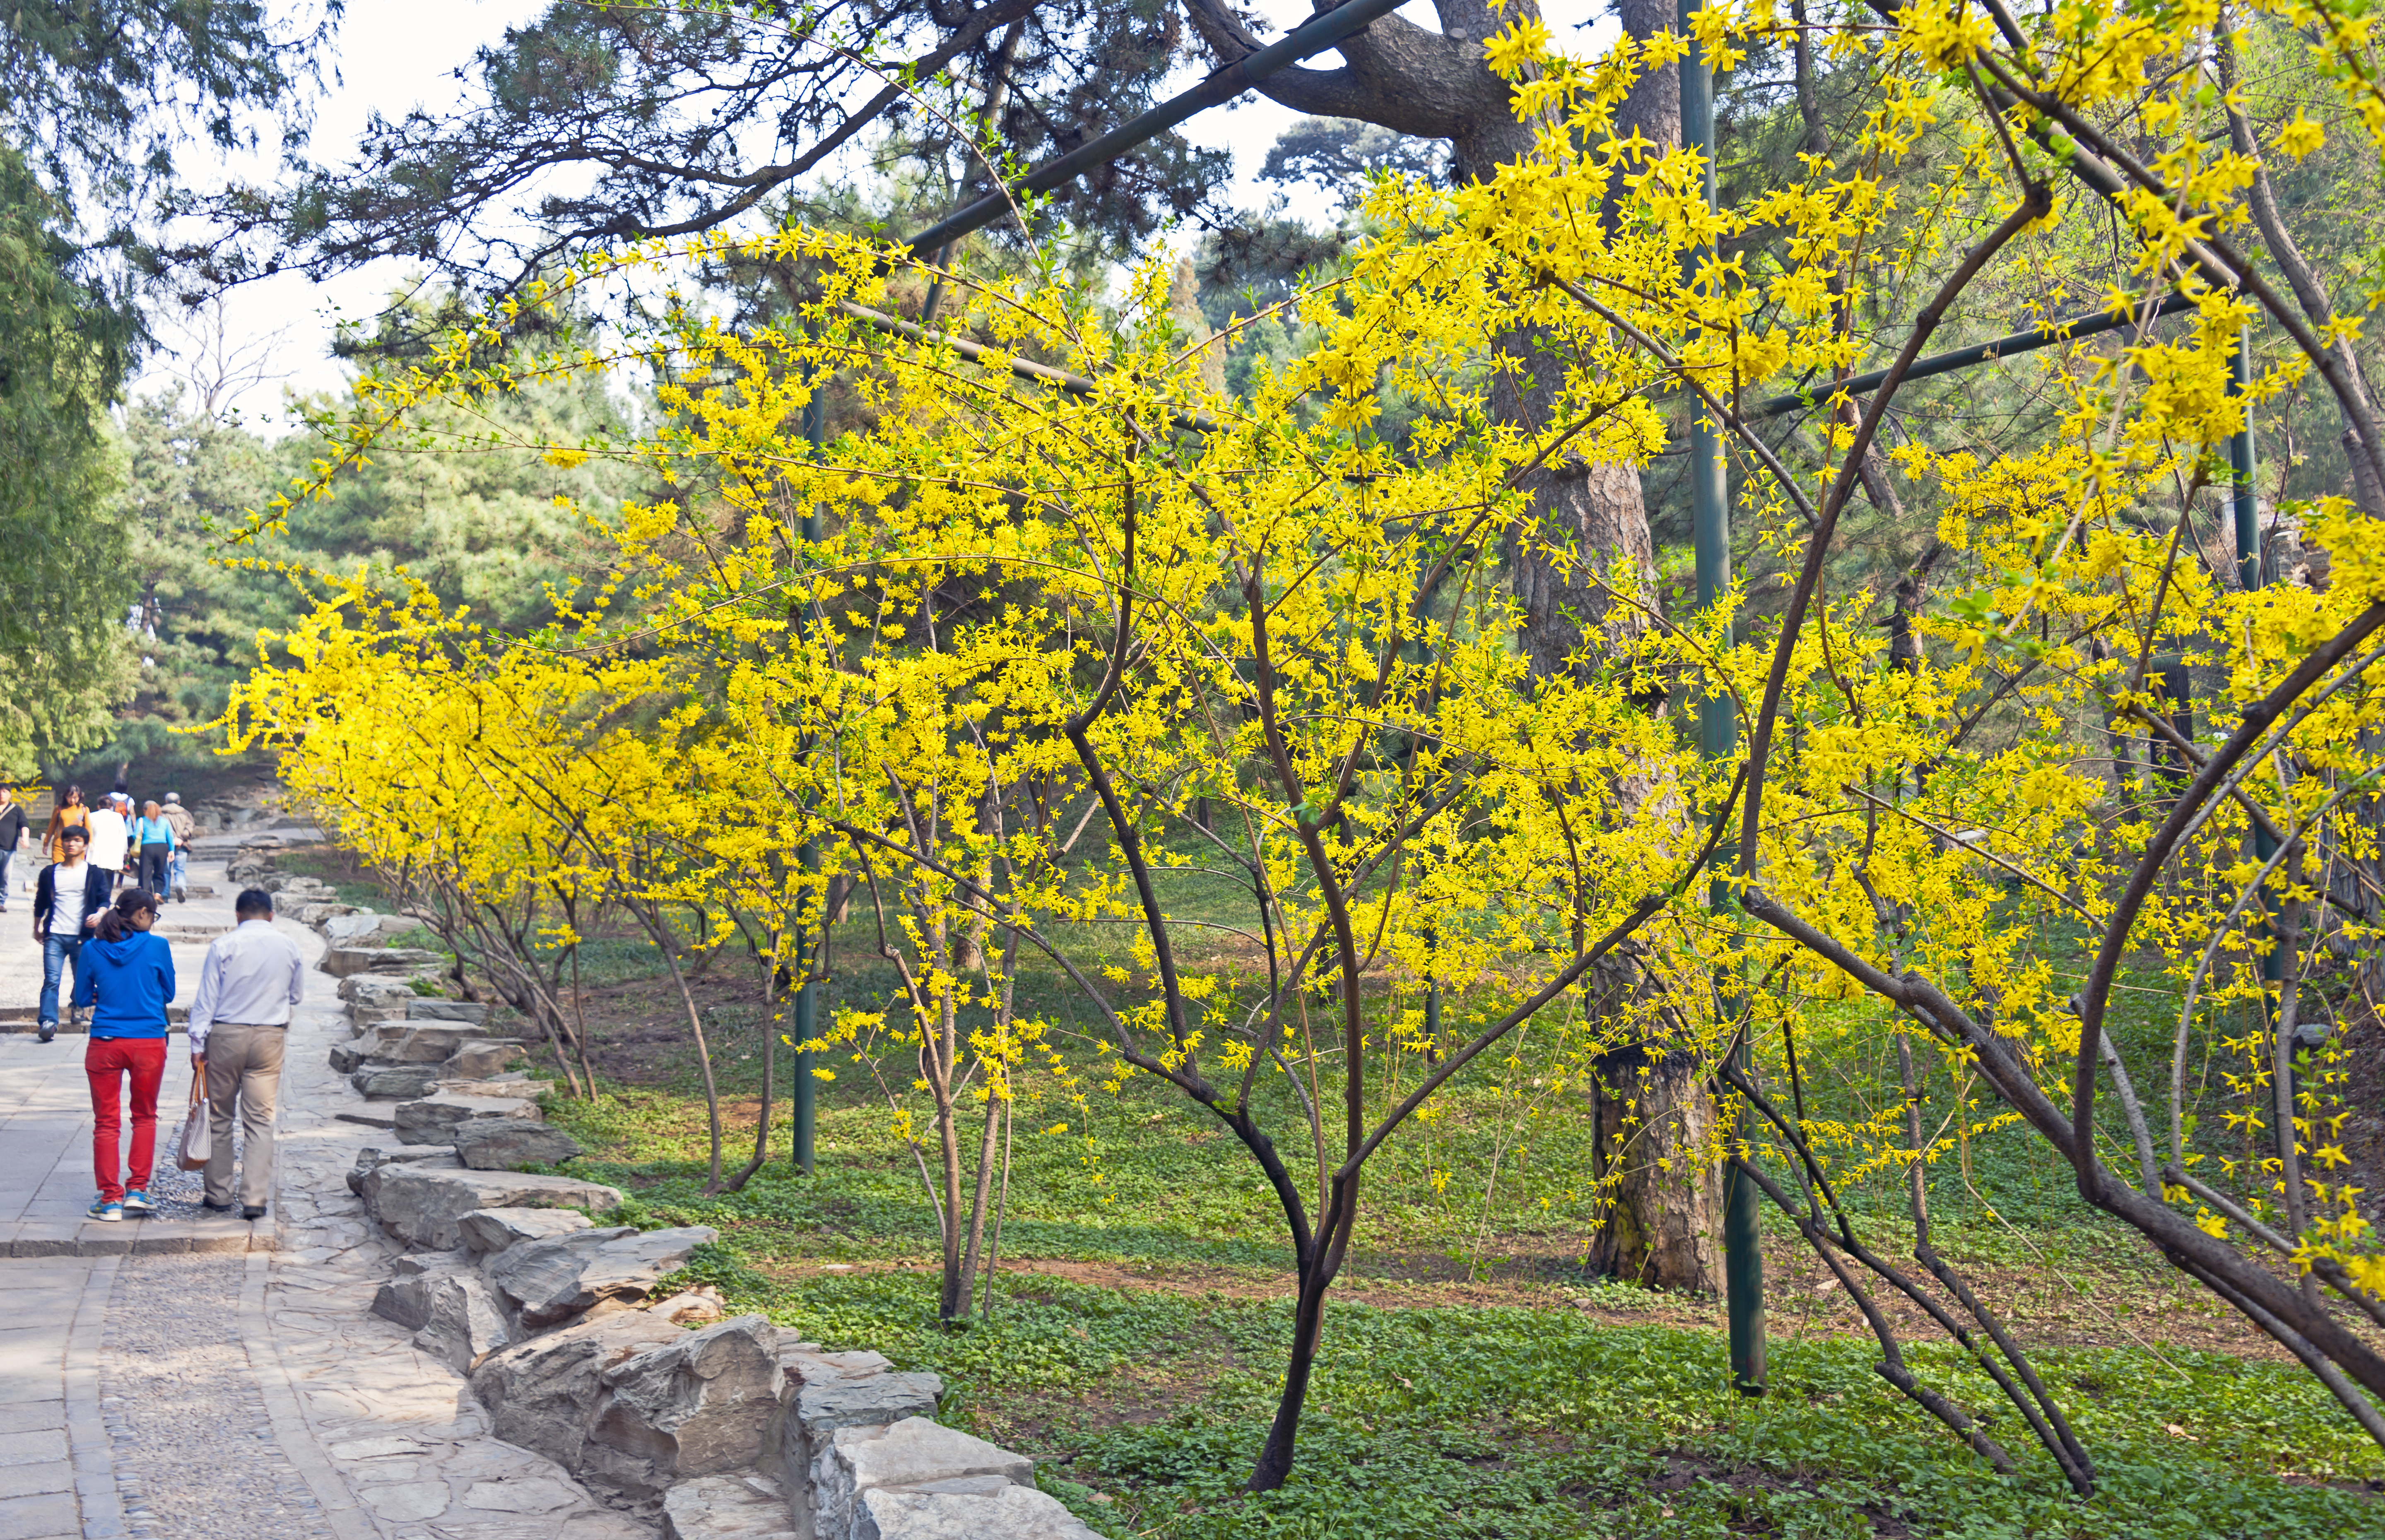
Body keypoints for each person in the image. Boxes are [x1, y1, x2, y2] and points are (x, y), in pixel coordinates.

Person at [189, 888, 305, 1220]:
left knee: (219, 1117)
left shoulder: (224, 945)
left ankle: (219, 1195)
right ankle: (254, 1199)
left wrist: (197, 1045)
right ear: (271, 915)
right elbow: (295, 996)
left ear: (237, 916)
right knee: (260, 1120)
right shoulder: (290, 946)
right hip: (270, 1037)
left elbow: (207, 999)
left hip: (226, 1035)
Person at [75, 888, 173, 1222]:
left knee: (106, 1121)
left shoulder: (92, 948)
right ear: (144, 913)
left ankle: (110, 1199)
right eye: (154, 916)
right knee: (145, 1116)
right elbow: (169, 992)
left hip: (105, 1042)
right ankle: (137, 1191)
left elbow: (82, 996)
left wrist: (107, 989)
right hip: (148, 1041)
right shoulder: (158, 946)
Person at [33, 826, 112, 1044]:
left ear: (85, 845)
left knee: (82, 978)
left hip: (83, 936)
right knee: (51, 980)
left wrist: (100, 914)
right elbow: (40, 902)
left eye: (77, 840)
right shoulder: (50, 873)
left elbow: (105, 899)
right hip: (55, 935)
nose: (71, 844)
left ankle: (78, 1008)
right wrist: (36, 928)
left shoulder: (94, 873)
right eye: (67, 840)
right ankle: (48, 1022)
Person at [84, 792, 129, 889]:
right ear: (111, 806)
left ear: (98, 806)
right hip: (113, 850)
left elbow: (87, 834)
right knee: (109, 876)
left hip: (96, 850)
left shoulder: (91, 816)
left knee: (96, 875)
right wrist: (125, 851)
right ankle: (106, 898)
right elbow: (123, 836)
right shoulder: (118, 817)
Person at [160, 793, 196, 902]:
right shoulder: (186, 813)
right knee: (180, 870)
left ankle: (165, 894)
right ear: (179, 802)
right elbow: (190, 828)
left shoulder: (160, 813)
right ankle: (180, 886)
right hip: (182, 845)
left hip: (165, 846)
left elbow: (159, 829)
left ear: (166, 802)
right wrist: (180, 838)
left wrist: (171, 839)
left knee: (165, 871)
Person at [132, 801, 174, 895]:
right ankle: (158, 894)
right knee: (160, 871)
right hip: (162, 848)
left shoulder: (142, 820)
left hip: (147, 848)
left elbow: (136, 836)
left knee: (146, 873)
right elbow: (170, 837)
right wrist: (172, 850)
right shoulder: (164, 821)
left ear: (144, 810)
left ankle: (147, 894)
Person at [44, 784, 88, 863]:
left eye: (75, 798)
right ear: (65, 797)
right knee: (58, 870)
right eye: (70, 797)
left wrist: (89, 843)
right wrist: (46, 843)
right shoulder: (59, 809)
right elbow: (51, 828)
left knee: (75, 872)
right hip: (60, 846)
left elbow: (88, 829)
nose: (72, 800)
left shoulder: (84, 809)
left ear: (80, 797)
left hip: (77, 847)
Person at [0, 784, 25, 912]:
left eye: (4, 791)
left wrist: (25, 838)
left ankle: (1, 902)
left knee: (5, 876)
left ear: (10, 794)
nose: (2, 794)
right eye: (0, 791)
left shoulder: (17, 810)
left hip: (10, 850)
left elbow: (24, 825)